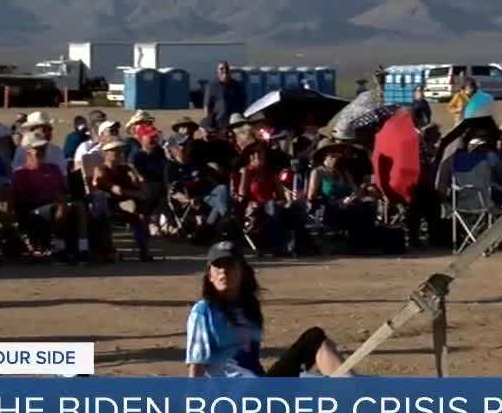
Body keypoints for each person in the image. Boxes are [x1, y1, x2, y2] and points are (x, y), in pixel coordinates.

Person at [185, 241, 353, 378]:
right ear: (209, 276)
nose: (224, 272)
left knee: (314, 338)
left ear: (242, 272)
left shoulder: (249, 307)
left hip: (260, 388)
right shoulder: (203, 311)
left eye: (230, 265)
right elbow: (197, 365)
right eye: (217, 267)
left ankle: (357, 391)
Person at [12, 135, 89, 263]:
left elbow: (63, 190)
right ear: (28, 151)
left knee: (79, 206)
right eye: (38, 149)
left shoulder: (53, 169)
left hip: (56, 204)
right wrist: (53, 200)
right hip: (35, 209)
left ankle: (83, 249)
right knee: (61, 207)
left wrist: (62, 198)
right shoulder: (21, 173)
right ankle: (60, 249)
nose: (42, 151)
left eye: (43, 148)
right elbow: (22, 198)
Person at [91, 140, 153, 261]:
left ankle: (144, 251)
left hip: (126, 203)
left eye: (121, 150)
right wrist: (136, 194)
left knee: (141, 210)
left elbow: (141, 184)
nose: (120, 153)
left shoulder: (124, 168)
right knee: (134, 207)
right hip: (109, 205)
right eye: (116, 151)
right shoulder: (101, 170)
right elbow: (114, 189)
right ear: (105, 154)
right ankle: (108, 250)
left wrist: (136, 176)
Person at [11, 112, 68, 177]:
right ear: (32, 130)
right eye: (43, 129)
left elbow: (63, 176)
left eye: (49, 129)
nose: (47, 133)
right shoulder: (21, 151)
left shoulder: (56, 150)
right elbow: (16, 174)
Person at [203, 62, 246, 132]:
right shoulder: (212, 86)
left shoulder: (238, 86)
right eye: (221, 69)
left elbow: (243, 104)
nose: (224, 70)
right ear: (217, 72)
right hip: (218, 121)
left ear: (230, 71)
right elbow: (207, 106)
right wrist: (207, 123)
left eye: (227, 68)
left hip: (234, 120)